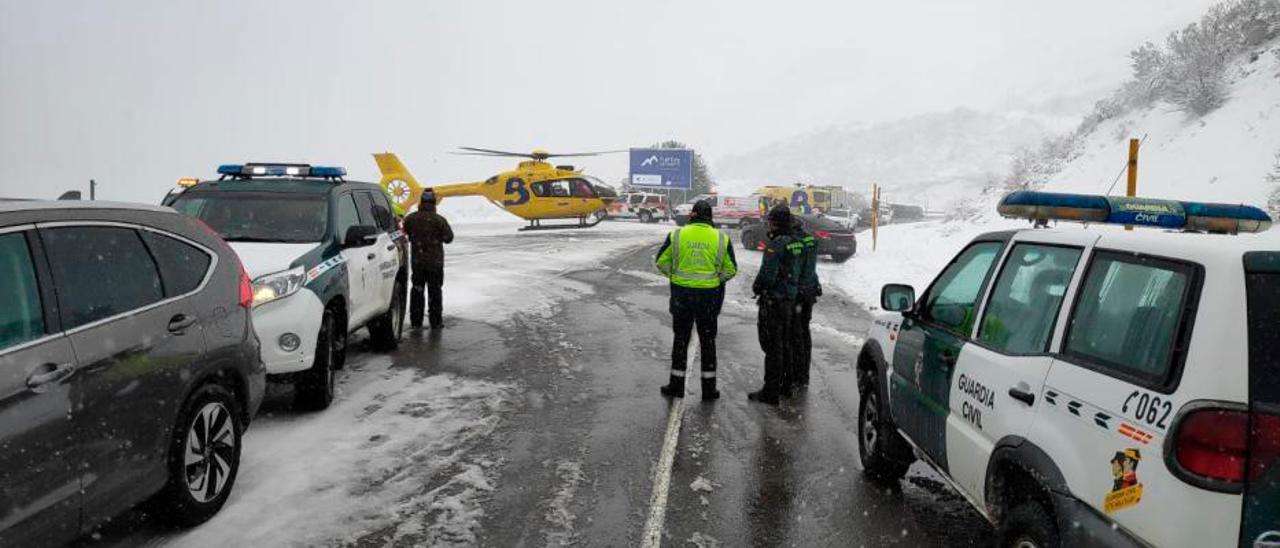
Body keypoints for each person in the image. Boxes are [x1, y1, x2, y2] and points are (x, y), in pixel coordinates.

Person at [655, 199, 738, 400]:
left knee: (681, 340)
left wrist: (676, 277)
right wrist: (715, 281)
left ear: (692, 215)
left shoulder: (677, 235)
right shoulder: (721, 238)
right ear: (711, 217)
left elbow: (661, 262)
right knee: (708, 342)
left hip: (682, 296)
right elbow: (731, 269)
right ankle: (709, 390)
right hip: (709, 299)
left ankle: (676, 386)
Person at [749, 205, 803, 405]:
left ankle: (771, 391)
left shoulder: (776, 244)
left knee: (772, 346)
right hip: (790, 299)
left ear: (776, 223)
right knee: (785, 344)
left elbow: (768, 274)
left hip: (775, 300)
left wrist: (757, 287)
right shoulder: (795, 242)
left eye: (770, 221)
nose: (768, 225)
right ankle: (786, 385)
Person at [403, 189, 454, 329]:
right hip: (435, 263)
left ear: (421, 202)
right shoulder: (439, 220)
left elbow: (404, 232)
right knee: (435, 291)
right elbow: (449, 238)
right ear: (434, 203)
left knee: (417, 291)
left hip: (417, 262)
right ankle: (436, 322)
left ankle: (416, 322)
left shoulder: (411, 219)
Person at [791, 216, 821, 388]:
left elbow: (797, 269)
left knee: (795, 333)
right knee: (804, 331)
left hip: (798, 293)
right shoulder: (811, 240)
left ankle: (797, 375)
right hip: (809, 291)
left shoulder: (795, 243)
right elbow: (811, 267)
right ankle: (803, 374)